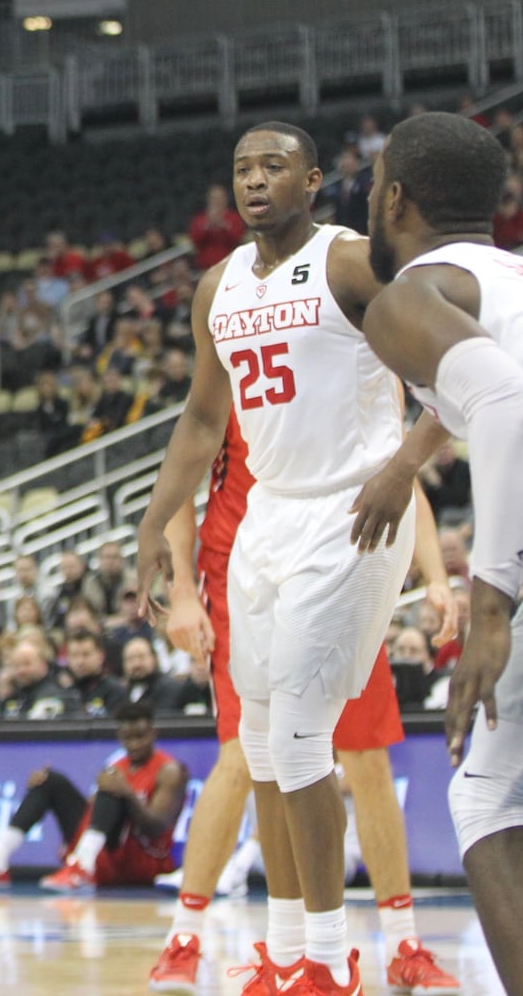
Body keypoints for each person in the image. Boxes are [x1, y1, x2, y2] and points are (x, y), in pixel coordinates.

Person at [135, 121, 440, 995]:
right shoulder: (217, 287)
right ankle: (279, 949)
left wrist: (405, 468)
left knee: (306, 741)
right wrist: (158, 525)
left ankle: (331, 954)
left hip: (349, 515)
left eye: (274, 166)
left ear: (313, 181)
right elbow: (201, 421)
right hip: (265, 518)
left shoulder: (350, 262)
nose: (255, 180)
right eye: (241, 168)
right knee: (264, 747)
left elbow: (460, 358)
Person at [360, 111, 523, 996]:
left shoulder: (406, 297)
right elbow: (497, 383)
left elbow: (511, 410)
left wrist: (493, 600)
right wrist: (406, 458)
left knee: (491, 796)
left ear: (393, 196)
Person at [147, 419, 462, 993]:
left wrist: (437, 575)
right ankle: (187, 937)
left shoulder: (361, 354)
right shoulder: (240, 347)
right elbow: (186, 460)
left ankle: (402, 943)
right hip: (245, 573)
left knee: (366, 757)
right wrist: (185, 592)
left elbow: (398, 469)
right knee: (245, 754)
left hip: (345, 562)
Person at [0, 702, 185, 891]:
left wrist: (128, 793)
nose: (133, 744)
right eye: (127, 737)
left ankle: (82, 866)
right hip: (109, 857)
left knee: (112, 787)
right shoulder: (117, 764)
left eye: (140, 736)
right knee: (50, 780)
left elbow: (157, 827)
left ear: (154, 733)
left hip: (143, 865)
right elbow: (99, 813)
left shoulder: (169, 770)